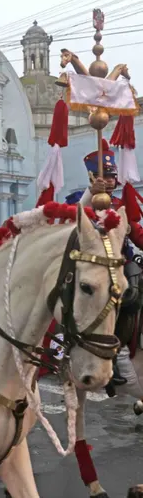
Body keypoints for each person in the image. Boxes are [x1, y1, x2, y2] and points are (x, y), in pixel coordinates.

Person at [70, 140, 143, 388]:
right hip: (92, 265)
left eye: (112, 176)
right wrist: (91, 193)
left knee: (132, 298)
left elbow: (135, 234)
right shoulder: (83, 200)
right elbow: (76, 219)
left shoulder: (120, 205)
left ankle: (120, 351)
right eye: (104, 176)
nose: (110, 181)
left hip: (120, 262)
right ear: (92, 177)